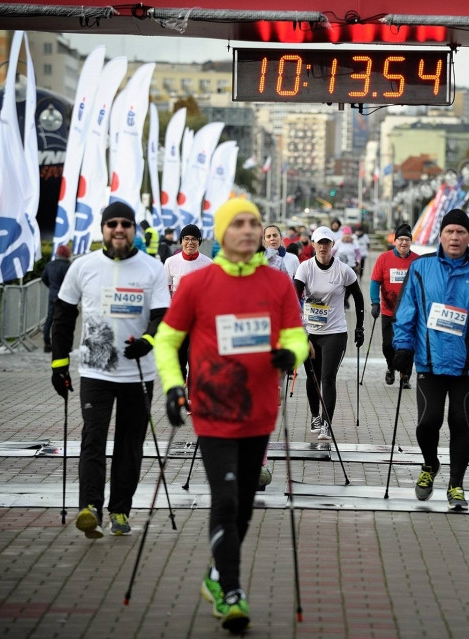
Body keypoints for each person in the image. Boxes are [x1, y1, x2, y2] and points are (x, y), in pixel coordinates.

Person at [153, 197, 308, 632]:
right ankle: (233, 592)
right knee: (225, 499)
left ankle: (217, 574)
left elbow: (297, 337)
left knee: (243, 507)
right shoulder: (198, 283)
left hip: (259, 412)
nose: (247, 230)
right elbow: (167, 340)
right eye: (237, 223)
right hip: (213, 410)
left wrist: (290, 353)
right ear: (222, 232)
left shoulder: (277, 283)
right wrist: (173, 386)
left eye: (253, 223)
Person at [50, 201, 170, 538]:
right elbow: (63, 315)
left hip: (137, 372)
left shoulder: (152, 268)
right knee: (93, 439)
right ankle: (90, 508)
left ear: (133, 230)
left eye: (125, 224)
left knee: (129, 446)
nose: (119, 229)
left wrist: (147, 340)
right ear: (103, 229)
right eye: (112, 223)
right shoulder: (83, 266)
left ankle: (119, 511)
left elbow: (163, 315)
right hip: (96, 371)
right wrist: (59, 364)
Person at [392, 209, 469, 511]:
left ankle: (456, 484)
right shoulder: (421, 268)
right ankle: (430, 463)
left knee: (460, 422)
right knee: (427, 423)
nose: (455, 237)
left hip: (465, 366)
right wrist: (402, 347)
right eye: (449, 231)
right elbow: (407, 310)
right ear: (440, 235)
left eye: (461, 232)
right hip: (429, 362)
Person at [294, 226, 365, 441]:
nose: (323, 247)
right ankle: (315, 415)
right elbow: (293, 298)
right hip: (310, 332)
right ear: (313, 245)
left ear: (333, 245)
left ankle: (326, 423)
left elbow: (358, 298)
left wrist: (359, 327)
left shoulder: (344, 270)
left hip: (335, 332)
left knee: (327, 377)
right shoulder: (305, 268)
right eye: (319, 243)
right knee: (312, 376)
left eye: (327, 243)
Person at [370, 223, 418, 388]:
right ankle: (391, 366)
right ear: (395, 241)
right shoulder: (384, 258)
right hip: (388, 311)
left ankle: (405, 376)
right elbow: (375, 282)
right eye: (400, 239)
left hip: (410, 313)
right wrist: (375, 303)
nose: (404, 243)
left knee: (408, 346)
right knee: (387, 345)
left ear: (410, 242)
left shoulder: (417, 261)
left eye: (407, 239)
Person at [164, 224, 212, 382]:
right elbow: (165, 291)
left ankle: (193, 388)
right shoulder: (170, 262)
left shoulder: (208, 263)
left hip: (199, 320)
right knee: (179, 356)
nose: (190, 242)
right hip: (179, 318)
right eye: (186, 239)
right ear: (181, 241)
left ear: (199, 241)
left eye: (194, 239)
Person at [41, 244, 72, 353]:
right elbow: (70, 281)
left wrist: (51, 287)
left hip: (52, 295)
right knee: (63, 321)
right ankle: (62, 344)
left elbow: (43, 278)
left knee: (49, 319)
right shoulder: (66, 266)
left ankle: (46, 343)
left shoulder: (50, 264)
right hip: (64, 297)